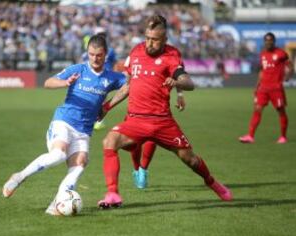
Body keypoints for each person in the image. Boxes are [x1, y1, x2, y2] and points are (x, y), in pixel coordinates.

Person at [97, 15, 233, 209]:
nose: (149, 43)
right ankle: (112, 193)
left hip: (162, 122)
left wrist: (177, 83)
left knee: (190, 159)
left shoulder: (171, 56)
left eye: (155, 40)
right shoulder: (136, 52)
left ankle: (212, 182)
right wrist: (107, 107)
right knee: (109, 141)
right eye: (147, 38)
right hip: (136, 120)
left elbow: (189, 83)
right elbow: (128, 86)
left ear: (165, 39)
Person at [2, 35, 127, 216]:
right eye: (91, 54)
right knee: (58, 154)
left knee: (80, 163)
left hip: (84, 130)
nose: (94, 58)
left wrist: (108, 105)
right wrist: (65, 82)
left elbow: (130, 84)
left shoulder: (111, 77)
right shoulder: (78, 69)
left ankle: (57, 203)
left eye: (98, 55)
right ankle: (19, 177)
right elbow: (47, 82)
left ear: (105, 54)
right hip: (64, 121)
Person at [239, 32, 293, 144]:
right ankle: (250, 136)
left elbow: (290, 65)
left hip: (276, 88)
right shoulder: (262, 54)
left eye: (270, 40)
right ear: (264, 42)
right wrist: (257, 85)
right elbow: (262, 71)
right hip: (263, 88)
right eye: (266, 40)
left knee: (281, 111)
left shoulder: (281, 53)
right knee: (257, 109)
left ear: (274, 41)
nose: (268, 42)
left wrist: (288, 76)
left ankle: (283, 137)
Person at [130, 91, 186, 189]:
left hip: (140, 104)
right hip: (155, 105)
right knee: (148, 136)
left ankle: (138, 171)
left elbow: (128, 81)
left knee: (136, 137)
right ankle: (141, 171)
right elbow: (179, 76)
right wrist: (180, 94)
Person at [81, 28, 118, 131]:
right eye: (100, 34)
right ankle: (95, 120)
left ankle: (98, 121)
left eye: (103, 34)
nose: (102, 36)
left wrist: (114, 74)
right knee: (94, 97)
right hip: (94, 76)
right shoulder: (89, 52)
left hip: (106, 77)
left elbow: (114, 63)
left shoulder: (110, 51)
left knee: (101, 98)